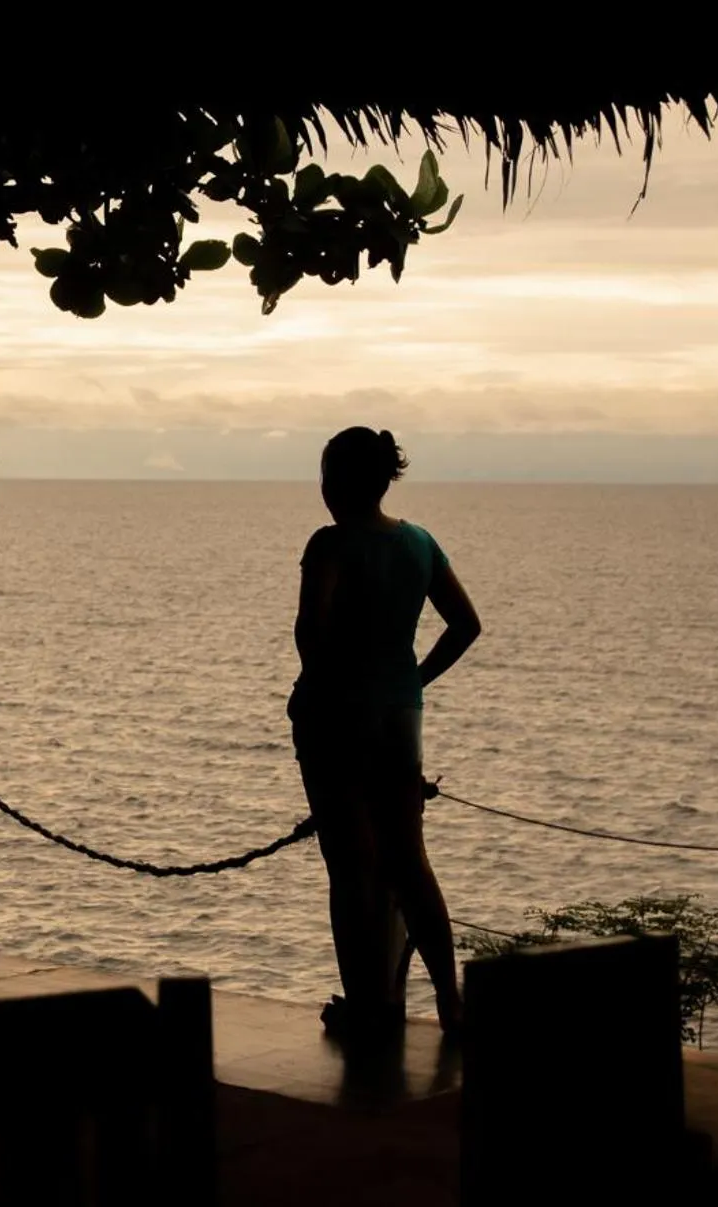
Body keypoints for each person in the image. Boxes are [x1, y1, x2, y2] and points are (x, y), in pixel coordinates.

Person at [288, 427, 481, 1038]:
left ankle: (367, 1009)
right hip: (402, 716)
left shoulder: (330, 544)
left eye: (325, 475)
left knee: (350, 869)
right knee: (409, 863)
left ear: (338, 482)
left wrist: (322, 695)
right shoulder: (420, 543)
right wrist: (414, 678)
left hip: (337, 718)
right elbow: (465, 625)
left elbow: (310, 633)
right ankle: (451, 1003)